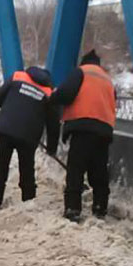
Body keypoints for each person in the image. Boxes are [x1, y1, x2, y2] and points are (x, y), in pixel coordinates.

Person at [50, 49, 116, 222]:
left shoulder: (81, 72)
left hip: (83, 127)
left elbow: (65, 93)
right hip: (104, 130)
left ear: (84, 62)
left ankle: (73, 208)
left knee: (76, 169)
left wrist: (52, 99)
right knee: (99, 170)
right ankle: (100, 208)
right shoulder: (107, 78)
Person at [0, 66, 59, 210]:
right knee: (27, 171)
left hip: (5, 130)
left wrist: (9, 111)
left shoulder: (17, 77)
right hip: (27, 135)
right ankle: (29, 205)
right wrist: (52, 148)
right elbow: (53, 124)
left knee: (0, 168)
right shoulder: (49, 93)